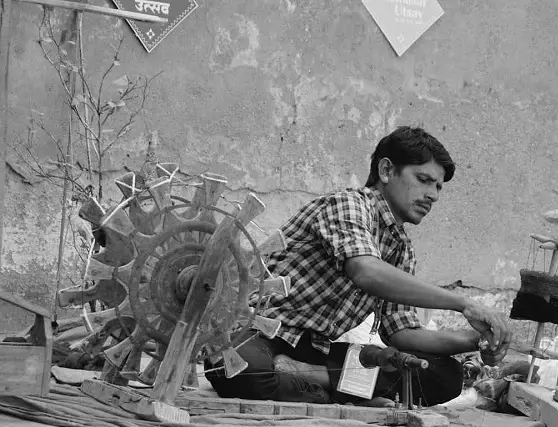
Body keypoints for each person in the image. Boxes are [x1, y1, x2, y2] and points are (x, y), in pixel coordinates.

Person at [205, 126, 512, 406]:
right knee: (239, 370)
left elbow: (402, 333)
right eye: (424, 180)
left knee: (444, 375)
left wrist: (478, 339)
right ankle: (347, 391)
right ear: (387, 170)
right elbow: (366, 272)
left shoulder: (401, 249)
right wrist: (463, 304)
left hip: (314, 353)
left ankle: (315, 380)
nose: (432, 195)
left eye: (439, 187)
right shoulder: (349, 204)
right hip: (258, 332)